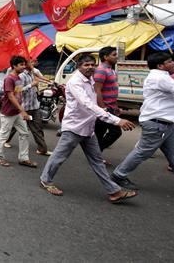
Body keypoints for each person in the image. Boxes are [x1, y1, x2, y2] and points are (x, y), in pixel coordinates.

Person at [111, 52, 174, 200]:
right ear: (160, 65)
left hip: (166, 123)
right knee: (143, 152)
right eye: (170, 62)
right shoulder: (159, 77)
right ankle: (118, 175)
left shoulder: (162, 77)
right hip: (157, 123)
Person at [39, 55, 137, 203]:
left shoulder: (90, 80)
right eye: (86, 65)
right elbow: (87, 104)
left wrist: (106, 109)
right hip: (74, 127)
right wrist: (116, 120)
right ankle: (45, 180)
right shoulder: (75, 82)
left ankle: (114, 191)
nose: (90, 67)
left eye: (92, 64)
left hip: (88, 128)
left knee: (97, 160)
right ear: (79, 66)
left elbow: (93, 101)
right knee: (59, 157)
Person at [0, 56, 37, 168]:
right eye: (21, 65)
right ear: (14, 66)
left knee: (24, 133)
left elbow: (18, 93)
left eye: (24, 64)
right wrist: (22, 111)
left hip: (17, 112)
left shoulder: (18, 78)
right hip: (8, 112)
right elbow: (11, 96)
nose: (23, 67)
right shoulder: (9, 79)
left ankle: (23, 158)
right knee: (4, 135)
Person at [94, 47, 122, 162]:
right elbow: (97, 90)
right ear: (105, 57)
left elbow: (112, 90)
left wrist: (115, 106)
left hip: (111, 106)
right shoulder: (101, 70)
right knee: (116, 132)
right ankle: (96, 153)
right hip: (105, 107)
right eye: (114, 55)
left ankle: (96, 155)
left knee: (99, 133)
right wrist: (102, 108)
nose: (116, 57)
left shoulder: (111, 70)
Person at [20, 60, 51, 155]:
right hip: (26, 108)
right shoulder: (21, 76)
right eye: (31, 62)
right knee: (17, 127)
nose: (33, 64)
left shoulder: (33, 73)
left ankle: (41, 149)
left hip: (35, 106)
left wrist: (47, 82)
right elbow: (19, 90)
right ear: (25, 64)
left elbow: (39, 79)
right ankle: (6, 139)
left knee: (38, 127)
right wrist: (31, 85)